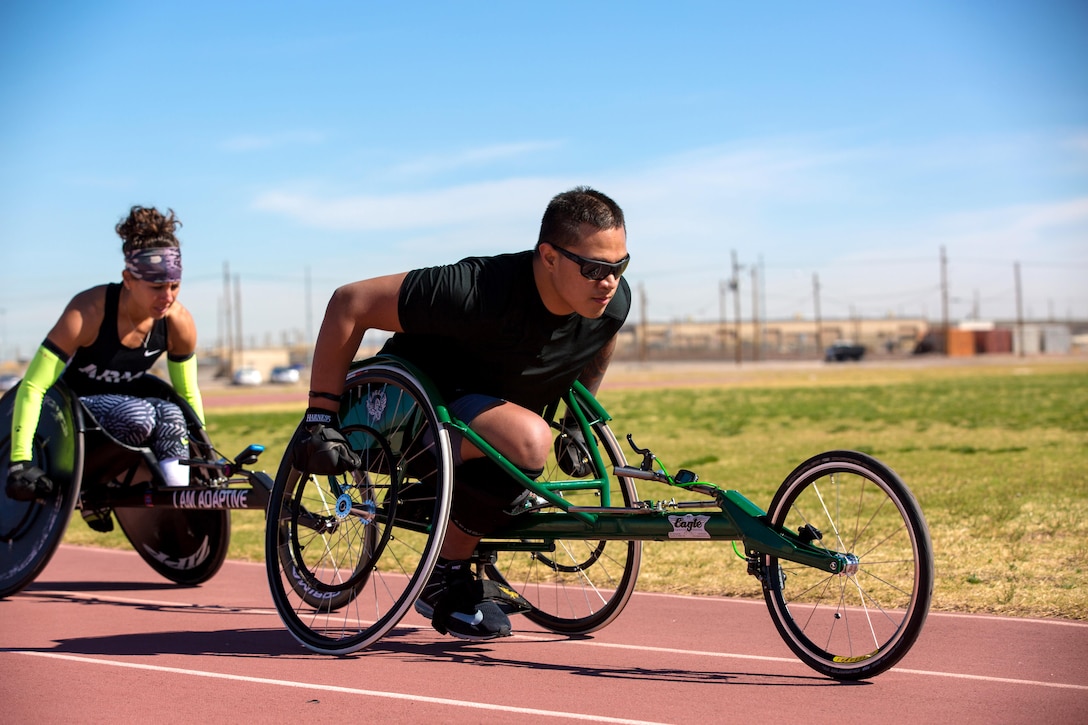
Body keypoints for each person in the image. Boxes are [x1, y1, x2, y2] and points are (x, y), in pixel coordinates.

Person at [293, 186, 631, 641]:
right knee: (528, 440)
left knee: (525, 441)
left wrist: (573, 426)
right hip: (404, 415)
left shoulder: (611, 304)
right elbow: (348, 302)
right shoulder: (476, 289)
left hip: (487, 419)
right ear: (549, 257)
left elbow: (602, 335)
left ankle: (469, 522)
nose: (608, 283)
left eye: (619, 267)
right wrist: (320, 417)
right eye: (594, 268)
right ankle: (444, 570)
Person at [5, 205, 205, 531]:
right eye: (156, 287)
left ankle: (178, 500)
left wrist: (202, 457)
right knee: (141, 415)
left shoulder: (179, 323)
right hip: (69, 419)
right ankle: (94, 488)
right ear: (128, 279)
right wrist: (19, 462)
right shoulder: (88, 312)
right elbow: (33, 386)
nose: (167, 297)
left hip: (128, 414)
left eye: (174, 285)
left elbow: (187, 395)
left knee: (169, 415)